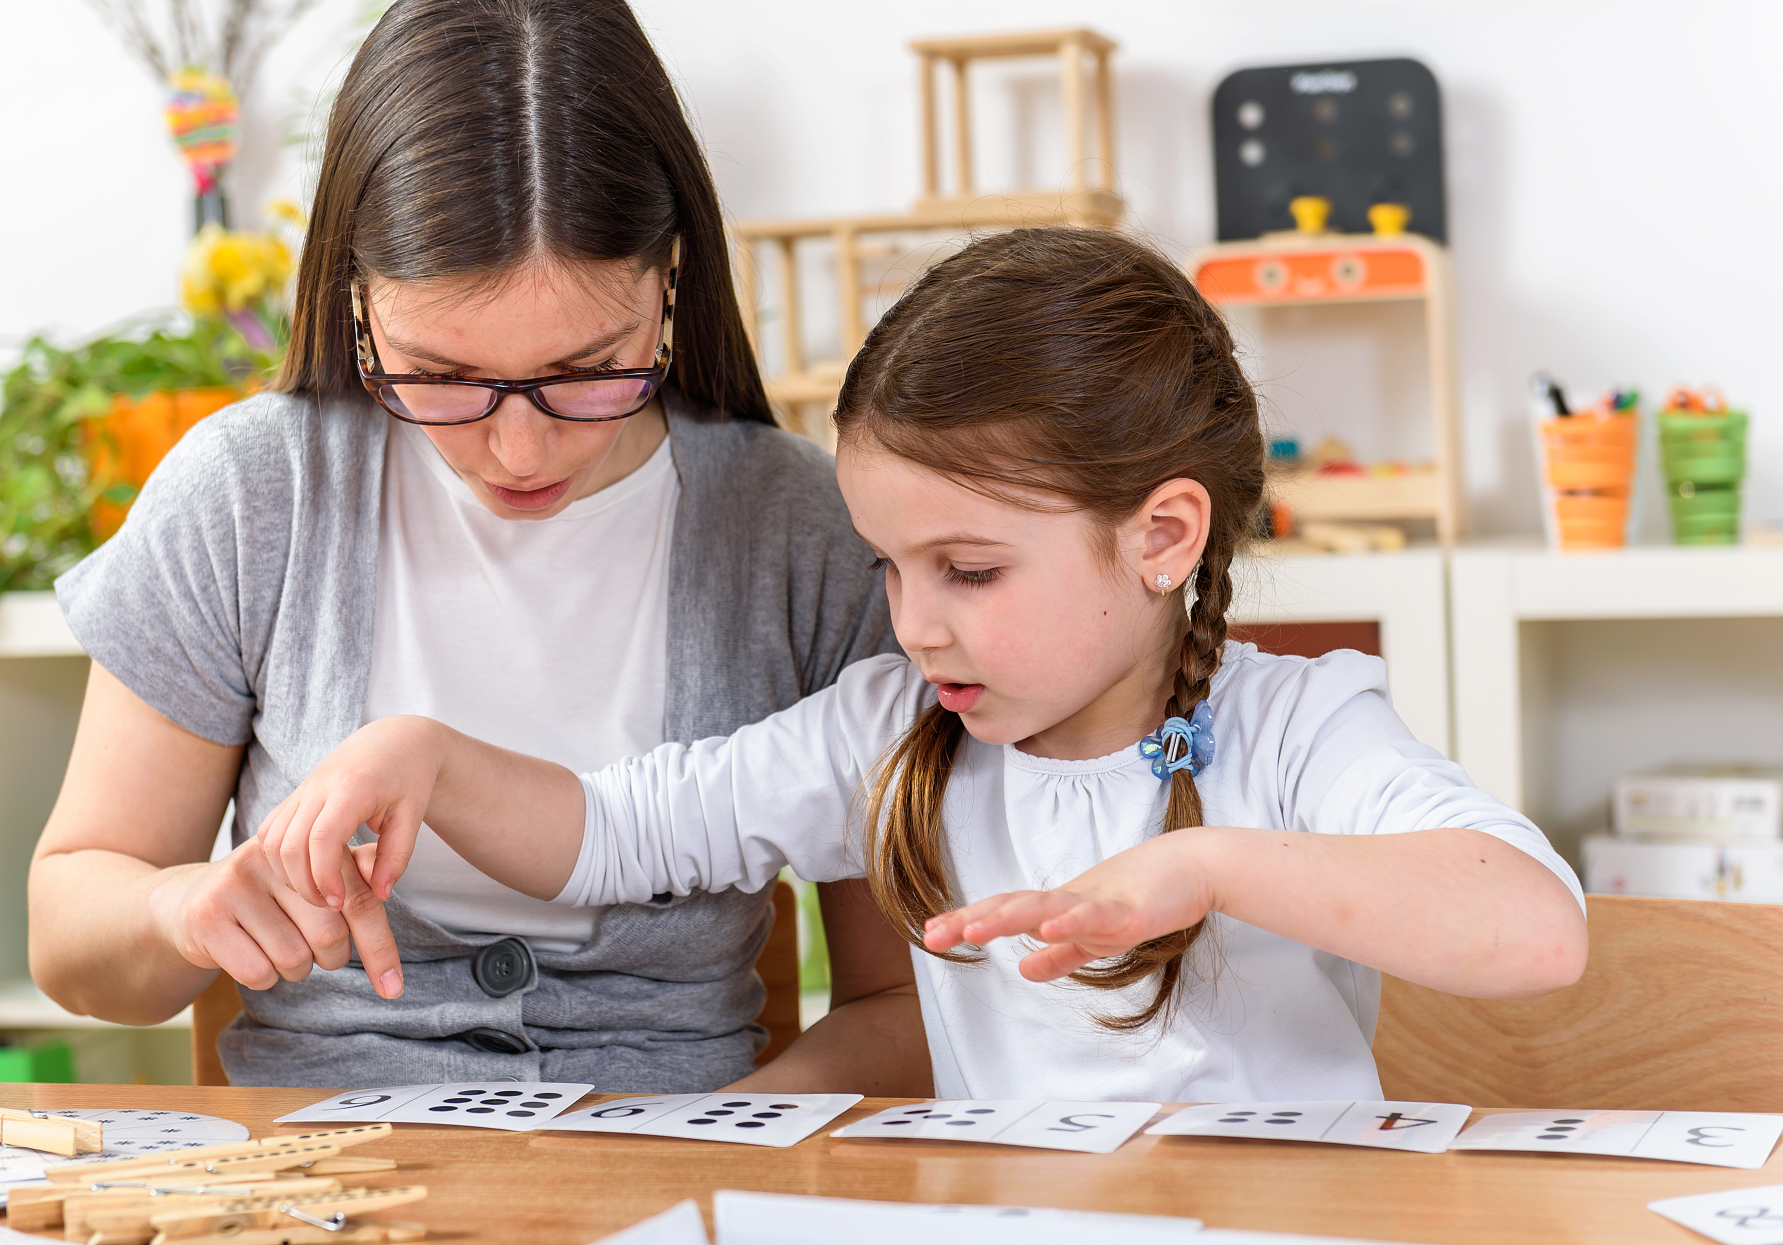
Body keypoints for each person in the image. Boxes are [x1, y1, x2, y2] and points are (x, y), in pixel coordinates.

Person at [256, 226, 1590, 1101]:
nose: (914, 621)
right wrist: (418, 752)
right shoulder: (897, 727)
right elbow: (624, 827)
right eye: (890, 565)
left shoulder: (1293, 728)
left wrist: (1204, 864)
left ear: (1161, 534)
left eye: (970, 568)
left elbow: (1535, 925)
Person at [29, 0, 930, 1094]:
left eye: (587, 372)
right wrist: (177, 907)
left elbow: (905, 1003)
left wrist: (711, 1161)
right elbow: (70, 931)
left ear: (670, 280)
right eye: (444, 376)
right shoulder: (253, 494)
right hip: (330, 1178)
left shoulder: (805, 531)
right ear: (357, 299)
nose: (518, 450)